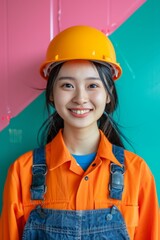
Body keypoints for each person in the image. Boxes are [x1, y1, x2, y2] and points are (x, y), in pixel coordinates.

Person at [0, 25, 159, 240]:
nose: (80, 98)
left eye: (93, 85)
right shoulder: (22, 173)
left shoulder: (137, 173)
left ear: (109, 94)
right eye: (67, 85)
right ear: (51, 95)